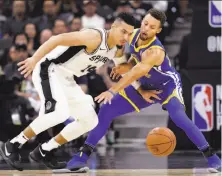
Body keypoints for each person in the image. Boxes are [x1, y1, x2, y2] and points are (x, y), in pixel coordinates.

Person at [54, 8, 221, 173]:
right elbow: (122, 58)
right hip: (144, 84)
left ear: (158, 30)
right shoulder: (131, 34)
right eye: (145, 24)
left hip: (166, 86)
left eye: (152, 27)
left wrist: (113, 90)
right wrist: (124, 66)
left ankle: (213, 158)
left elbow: (134, 73)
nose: (146, 29)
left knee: (179, 117)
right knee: (106, 110)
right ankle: (81, 157)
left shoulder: (155, 52)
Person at [0, 13, 140, 171]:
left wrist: (141, 90)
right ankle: (12, 145)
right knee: (59, 113)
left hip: (66, 77)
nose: (126, 37)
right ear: (113, 27)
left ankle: (44, 150)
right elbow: (56, 39)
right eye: (123, 31)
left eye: (129, 33)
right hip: (49, 69)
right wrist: (34, 59)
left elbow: (126, 72)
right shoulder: (93, 36)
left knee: (90, 120)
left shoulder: (117, 49)